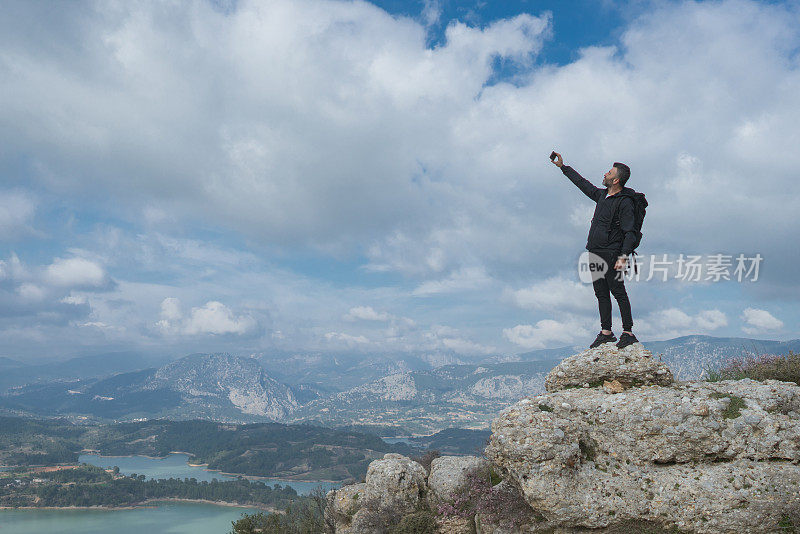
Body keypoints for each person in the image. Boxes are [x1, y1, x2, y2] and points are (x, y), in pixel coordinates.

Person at [550, 152, 639, 350]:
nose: (605, 174)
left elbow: (630, 232)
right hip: (595, 251)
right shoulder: (601, 196)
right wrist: (564, 167)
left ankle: (628, 332)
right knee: (600, 292)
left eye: (609, 172)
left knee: (618, 291)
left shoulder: (624, 202)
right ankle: (606, 332)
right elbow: (582, 183)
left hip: (612, 253)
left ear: (616, 180)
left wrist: (623, 256)